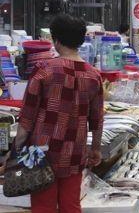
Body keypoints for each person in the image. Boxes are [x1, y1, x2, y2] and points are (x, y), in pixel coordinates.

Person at [13, 14, 103, 212]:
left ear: (56, 40)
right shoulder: (93, 76)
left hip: (43, 154)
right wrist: (95, 149)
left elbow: (27, 119)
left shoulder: (44, 71)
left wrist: (16, 148)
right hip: (75, 152)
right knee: (71, 205)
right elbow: (97, 119)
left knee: (43, 206)